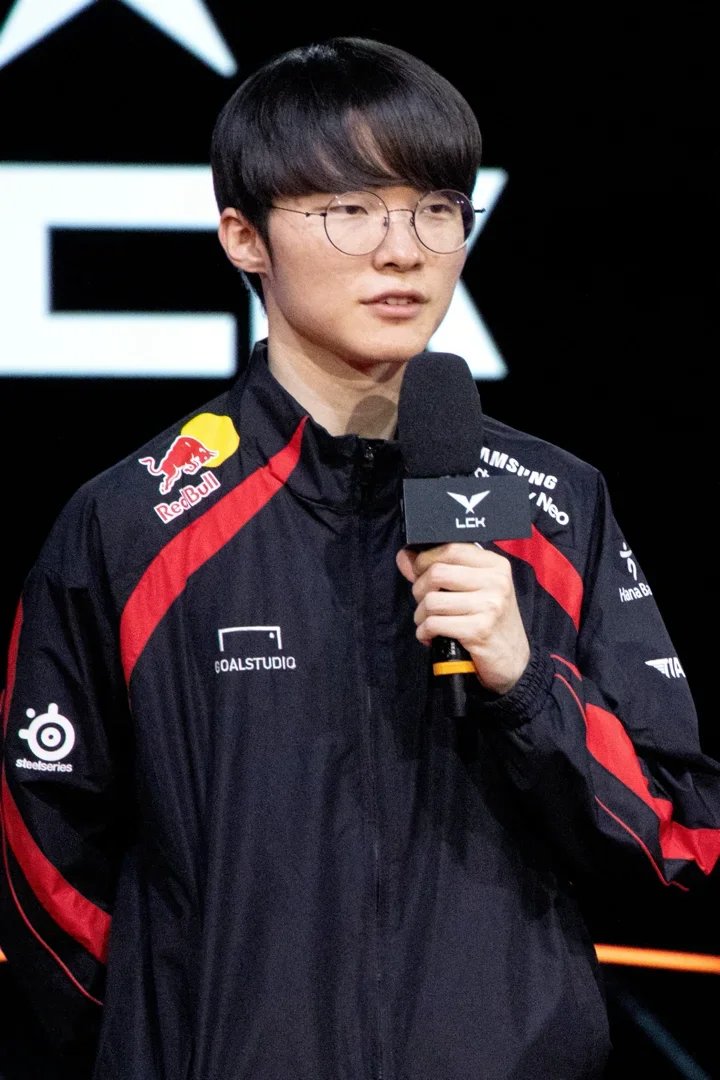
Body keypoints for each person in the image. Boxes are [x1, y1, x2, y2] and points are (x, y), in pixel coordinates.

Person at [1, 35, 719, 1080]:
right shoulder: (129, 525)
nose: (404, 250)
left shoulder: (557, 506)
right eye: (350, 209)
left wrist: (528, 688)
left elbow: (683, 839)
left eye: (437, 208)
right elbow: (44, 869)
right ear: (244, 236)